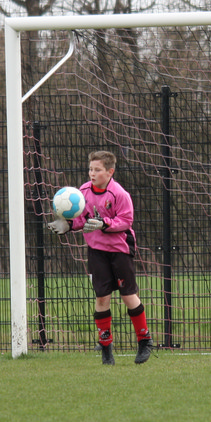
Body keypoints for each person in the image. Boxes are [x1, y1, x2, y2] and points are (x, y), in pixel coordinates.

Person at [48, 150, 153, 365]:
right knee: (102, 297)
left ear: (110, 172)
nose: (92, 173)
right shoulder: (83, 192)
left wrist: (104, 224)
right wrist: (68, 225)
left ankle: (144, 340)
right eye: (90, 169)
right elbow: (82, 219)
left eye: (97, 170)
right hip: (96, 251)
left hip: (120, 250)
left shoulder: (119, 194)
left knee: (128, 296)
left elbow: (126, 221)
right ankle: (106, 348)